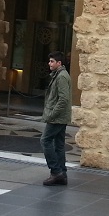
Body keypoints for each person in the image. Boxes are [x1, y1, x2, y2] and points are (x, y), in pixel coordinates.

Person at [40, 51, 72, 186]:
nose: (49, 63)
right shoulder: (59, 75)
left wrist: (52, 114)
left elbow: (63, 99)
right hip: (60, 117)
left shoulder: (61, 77)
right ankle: (62, 174)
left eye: (52, 61)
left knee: (45, 140)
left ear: (59, 63)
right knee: (59, 145)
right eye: (49, 61)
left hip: (57, 117)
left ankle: (56, 171)